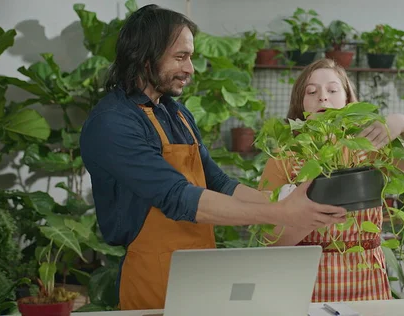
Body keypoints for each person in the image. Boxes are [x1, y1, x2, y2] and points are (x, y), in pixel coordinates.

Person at [79, 6, 347, 310]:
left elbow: (217, 181)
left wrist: (287, 204)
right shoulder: (113, 123)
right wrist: (282, 214)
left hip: (199, 269)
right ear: (145, 58)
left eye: (190, 57)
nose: (191, 68)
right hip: (152, 278)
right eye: (180, 57)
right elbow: (177, 197)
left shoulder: (176, 113)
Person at [258, 58, 404, 302]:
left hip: (367, 278)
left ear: (348, 100)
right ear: (299, 104)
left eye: (333, 90)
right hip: (307, 281)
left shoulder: (369, 148)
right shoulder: (285, 157)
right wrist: (310, 217)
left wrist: (403, 123)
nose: (323, 98)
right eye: (311, 91)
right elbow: (268, 239)